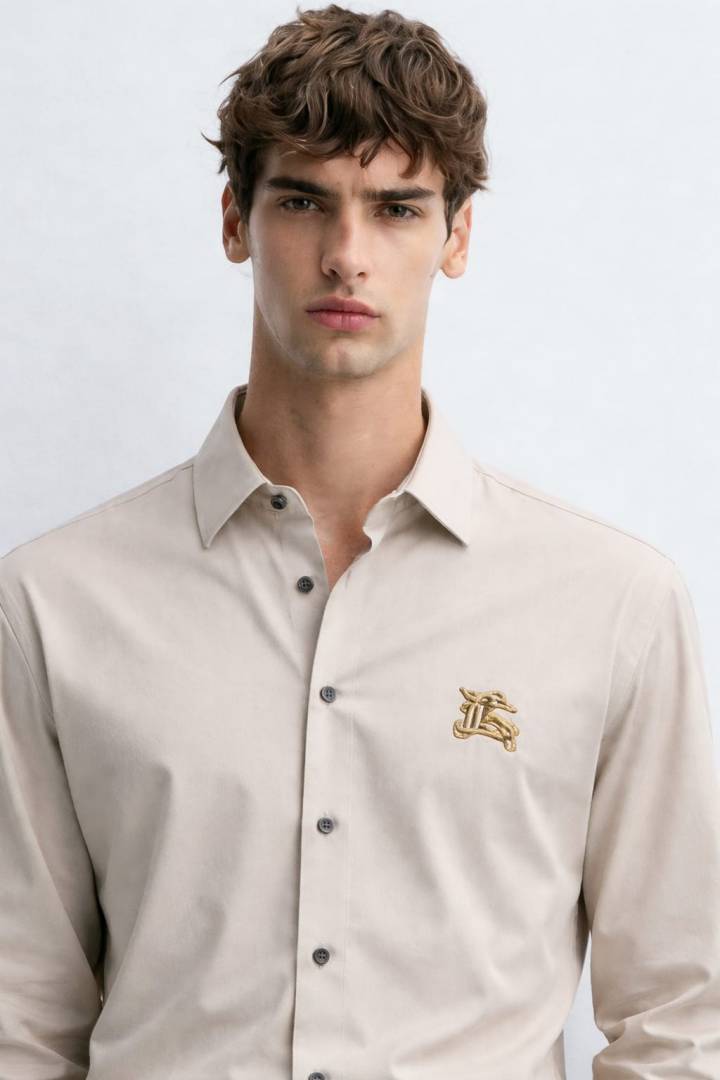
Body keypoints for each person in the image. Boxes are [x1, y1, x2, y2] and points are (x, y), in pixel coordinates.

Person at [1, 4, 718, 1078]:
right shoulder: (54, 603)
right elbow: (19, 1020)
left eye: (396, 209)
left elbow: (682, 1013)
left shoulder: (613, 605)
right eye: (303, 201)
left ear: (456, 237)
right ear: (236, 221)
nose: (346, 256)